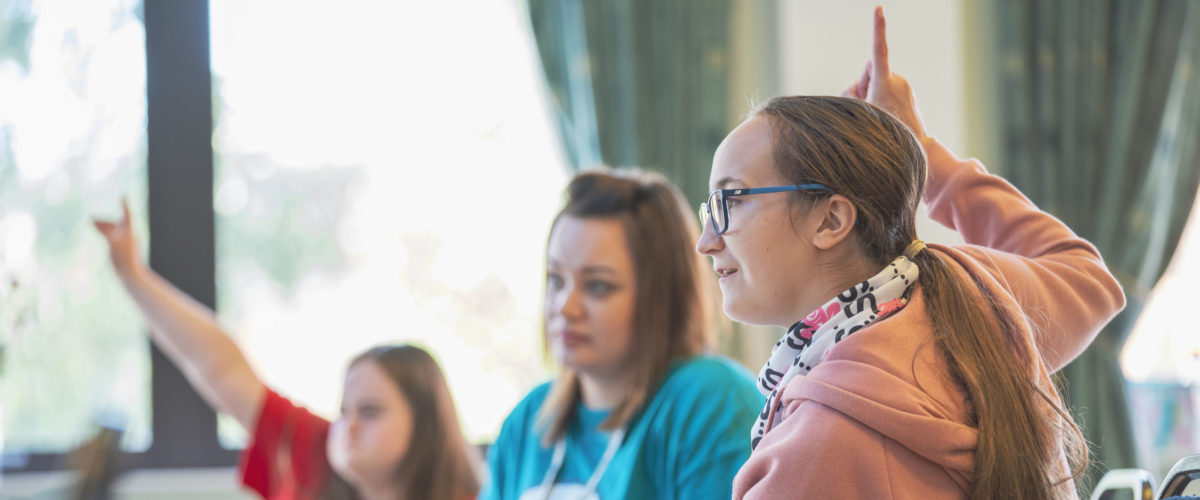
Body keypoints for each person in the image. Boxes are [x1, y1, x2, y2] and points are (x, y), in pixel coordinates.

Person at [695, 8, 1126, 500]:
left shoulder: (810, 455)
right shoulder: (972, 296)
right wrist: (924, 151)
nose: (706, 239)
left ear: (831, 220)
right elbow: (1088, 278)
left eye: (731, 201)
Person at [93, 203, 481, 500]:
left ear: (426, 421)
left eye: (370, 412)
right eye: (343, 411)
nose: (348, 427)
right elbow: (220, 369)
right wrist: (133, 275)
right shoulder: (316, 452)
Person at [481, 169, 764, 499]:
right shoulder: (529, 418)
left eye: (597, 286)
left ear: (660, 296)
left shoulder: (711, 400)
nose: (565, 307)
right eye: (556, 279)